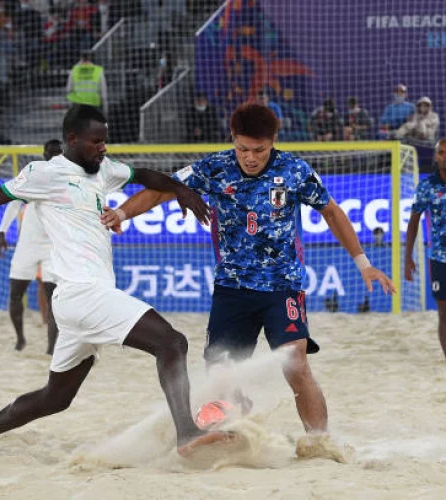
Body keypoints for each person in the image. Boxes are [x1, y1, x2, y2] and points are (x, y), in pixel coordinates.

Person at [0, 104, 234, 455]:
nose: (103, 148)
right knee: (172, 343)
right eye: (96, 141)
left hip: (78, 300)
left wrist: (180, 189)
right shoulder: (44, 173)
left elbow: (144, 175)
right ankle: (187, 433)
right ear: (72, 139)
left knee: (56, 396)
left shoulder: (103, 170)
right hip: (83, 294)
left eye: (105, 141)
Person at [101, 103, 396, 438]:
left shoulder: (294, 170)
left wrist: (364, 264)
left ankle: (319, 442)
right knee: (219, 373)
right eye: (243, 149)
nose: (250, 157)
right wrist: (122, 214)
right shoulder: (215, 167)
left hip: (282, 286)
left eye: (259, 150)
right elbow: (161, 191)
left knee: (295, 364)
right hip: (232, 289)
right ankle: (236, 412)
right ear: (233, 140)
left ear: (273, 142)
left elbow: (331, 212)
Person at [0, 139, 63, 354]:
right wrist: (2, 232)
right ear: (44, 153)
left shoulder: (67, 179)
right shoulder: (33, 175)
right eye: (50, 151)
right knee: (15, 294)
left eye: (57, 152)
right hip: (26, 246)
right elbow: (14, 201)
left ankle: (51, 349)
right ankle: (20, 339)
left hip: (52, 247)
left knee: (53, 300)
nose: (53, 155)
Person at [405, 138, 446, 358]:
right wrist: (407, 257)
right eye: (439, 152)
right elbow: (413, 223)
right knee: (443, 313)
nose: (441, 156)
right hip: (439, 258)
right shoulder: (427, 186)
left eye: (444, 152)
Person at [66, 50, 108, 117]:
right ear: (91, 58)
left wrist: (71, 108)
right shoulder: (98, 71)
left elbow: (69, 91)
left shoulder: (74, 71)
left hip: (79, 107)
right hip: (94, 107)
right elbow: (103, 92)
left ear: (81, 58)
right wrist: (105, 110)